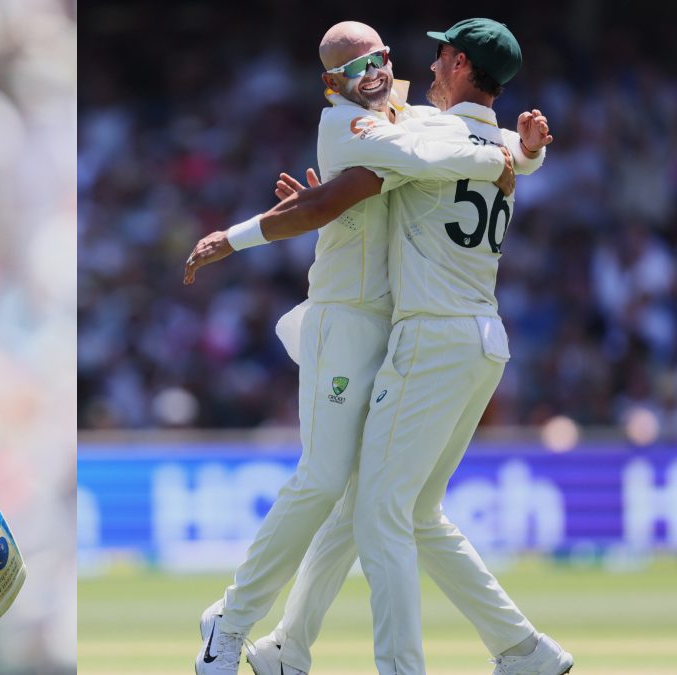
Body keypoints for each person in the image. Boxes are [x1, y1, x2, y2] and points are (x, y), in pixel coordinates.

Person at [183, 20, 566, 675]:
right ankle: (278, 641)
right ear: (330, 81)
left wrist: (244, 233)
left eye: (383, 58)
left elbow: (365, 182)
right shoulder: (361, 123)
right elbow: (338, 197)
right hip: (391, 324)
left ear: (455, 62)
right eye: (356, 65)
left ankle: (255, 625)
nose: (380, 71)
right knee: (362, 494)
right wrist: (517, 155)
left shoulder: (417, 124)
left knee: (373, 504)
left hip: (418, 331)